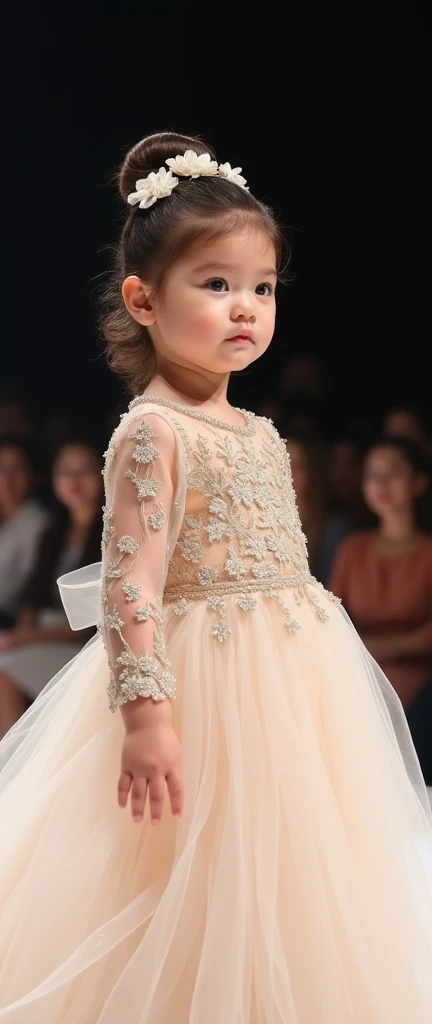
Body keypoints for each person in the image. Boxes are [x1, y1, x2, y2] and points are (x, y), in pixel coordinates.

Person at [0, 132, 431, 1023]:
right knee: (189, 876)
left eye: (263, 288)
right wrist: (148, 716)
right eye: (217, 284)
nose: (247, 308)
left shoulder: (262, 432)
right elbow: (130, 586)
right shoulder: (151, 432)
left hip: (293, 684)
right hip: (203, 688)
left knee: (292, 877)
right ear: (143, 300)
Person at [330, 436, 432, 782]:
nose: (381, 484)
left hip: (419, 685)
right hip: (359, 678)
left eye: (393, 472)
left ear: (419, 481)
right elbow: (332, 616)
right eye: (373, 474)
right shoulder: (352, 548)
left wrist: (374, 649)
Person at [0, 438, 103, 734]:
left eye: (84, 469)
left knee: (5, 672)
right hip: (45, 635)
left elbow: (88, 622)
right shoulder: (53, 531)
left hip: (83, 646)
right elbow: (32, 597)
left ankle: (13, 769)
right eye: (65, 471)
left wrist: (24, 637)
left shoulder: (111, 529)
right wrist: (23, 632)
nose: (73, 479)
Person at [284, 430, 353, 585]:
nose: (287, 472)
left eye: (297, 465)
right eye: (282, 463)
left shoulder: (334, 528)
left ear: (313, 470)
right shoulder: (265, 521)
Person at [0, 437, 50, 628]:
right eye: (2, 467)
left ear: (35, 476)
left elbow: (20, 588)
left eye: (17, 469)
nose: (7, 477)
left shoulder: (37, 522)